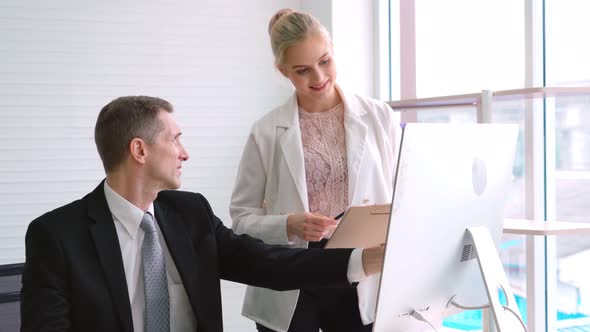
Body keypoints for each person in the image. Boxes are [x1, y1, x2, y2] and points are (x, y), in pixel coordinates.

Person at [20, 96, 386, 332]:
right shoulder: (57, 235)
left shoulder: (189, 213)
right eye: (175, 138)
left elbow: (269, 263)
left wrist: (363, 260)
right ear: (140, 151)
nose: (185, 152)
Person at [229, 8, 401, 332]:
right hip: (293, 273)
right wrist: (288, 226)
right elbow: (240, 220)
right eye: (303, 70)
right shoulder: (266, 131)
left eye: (325, 61)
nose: (319, 78)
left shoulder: (380, 117)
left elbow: (404, 198)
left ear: (333, 50)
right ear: (283, 72)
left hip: (361, 268)